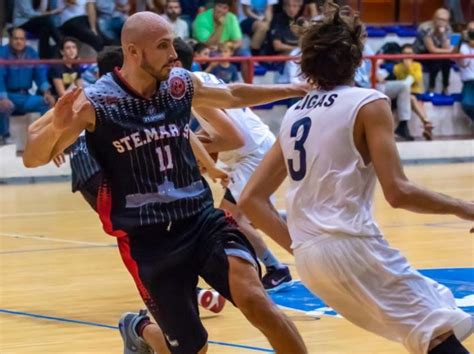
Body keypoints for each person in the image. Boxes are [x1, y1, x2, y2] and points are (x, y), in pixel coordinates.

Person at [23, 11, 308, 354]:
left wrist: (297, 88)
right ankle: (139, 328)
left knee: (256, 300)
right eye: (163, 46)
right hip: (149, 240)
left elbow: (231, 94)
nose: (174, 54)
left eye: (172, 43)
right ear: (133, 51)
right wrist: (58, 126)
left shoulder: (178, 84)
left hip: (202, 221)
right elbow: (32, 157)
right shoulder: (98, 101)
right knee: (190, 348)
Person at [240, 5, 473, 354]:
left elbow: (250, 200)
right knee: (435, 332)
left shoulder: (294, 114)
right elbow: (399, 192)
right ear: (358, 57)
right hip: (351, 244)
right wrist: (464, 207)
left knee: (435, 318)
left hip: (308, 260)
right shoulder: (369, 103)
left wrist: (304, 246)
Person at [52, 45, 228, 319]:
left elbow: (178, 131)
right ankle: (172, 295)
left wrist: (57, 145)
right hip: (100, 173)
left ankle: (176, 289)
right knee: (140, 236)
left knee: (144, 237)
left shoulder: (106, 95)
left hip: (88, 172)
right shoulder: (111, 96)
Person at [172, 37, 293, 292]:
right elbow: (220, 132)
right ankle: (291, 221)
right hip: (256, 148)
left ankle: (276, 267)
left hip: (251, 154)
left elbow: (233, 137)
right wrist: (206, 152)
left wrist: (201, 152)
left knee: (229, 219)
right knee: (245, 216)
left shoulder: (194, 93)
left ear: (175, 64)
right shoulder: (199, 80)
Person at [0, 28, 55, 145]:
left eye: (22, 39)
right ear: (10, 39)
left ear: (25, 40)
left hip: (25, 96)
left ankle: (43, 138)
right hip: (8, 95)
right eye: (16, 38)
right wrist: (3, 97)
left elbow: (40, 74)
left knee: (46, 102)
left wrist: (46, 92)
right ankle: (4, 136)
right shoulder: (2, 53)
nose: (19, 41)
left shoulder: (32, 53)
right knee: (3, 105)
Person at [394, 43, 434, 140]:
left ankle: (426, 124)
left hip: (416, 92)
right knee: (411, 98)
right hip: (404, 93)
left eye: (410, 53)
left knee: (415, 99)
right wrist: (407, 67)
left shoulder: (417, 65)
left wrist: (409, 68)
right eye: (405, 53)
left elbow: (417, 78)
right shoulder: (397, 67)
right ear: (401, 54)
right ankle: (426, 123)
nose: (408, 56)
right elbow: (402, 82)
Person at [414, 8, 453, 95]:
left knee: (447, 60)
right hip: (421, 54)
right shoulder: (425, 27)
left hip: (438, 53)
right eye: (439, 19)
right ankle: (431, 88)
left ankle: (445, 87)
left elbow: (446, 48)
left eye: (444, 20)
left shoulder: (447, 28)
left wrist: (442, 35)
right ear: (434, 18)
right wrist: (448, 51)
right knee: (437, 59)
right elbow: (432, 50)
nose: (441, 22)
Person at [456, 21, 474, 121]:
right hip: (470, 82)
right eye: (470, 30)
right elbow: (463, 63)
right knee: (468, 104)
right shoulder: (463, 46)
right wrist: (461, 40)